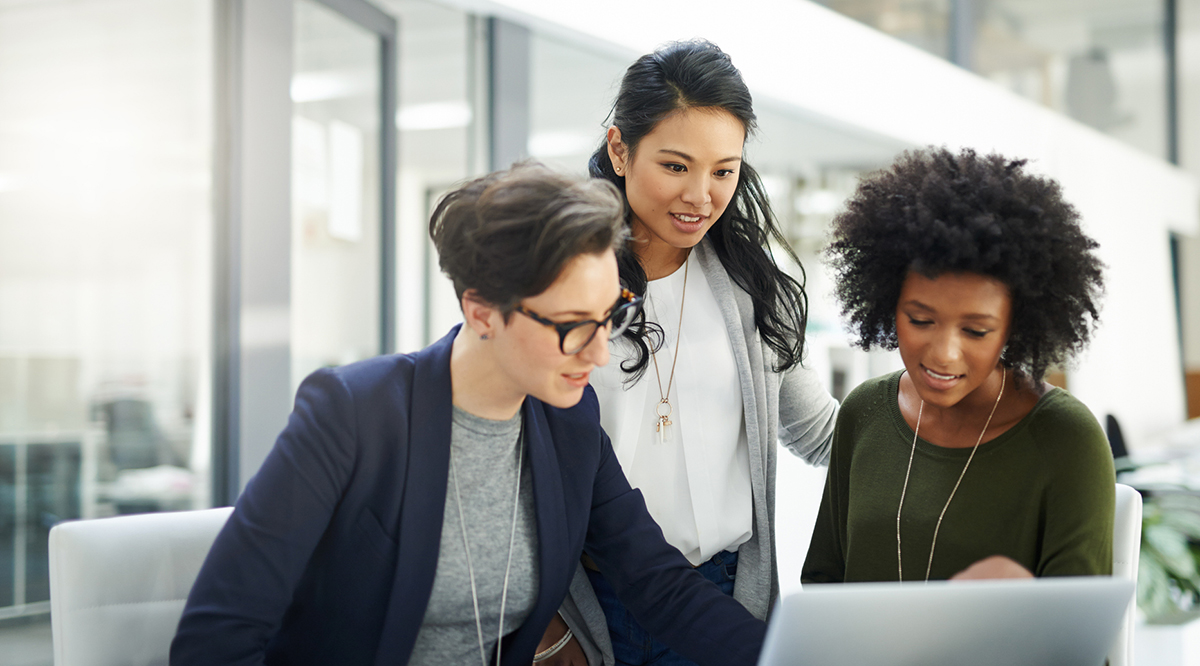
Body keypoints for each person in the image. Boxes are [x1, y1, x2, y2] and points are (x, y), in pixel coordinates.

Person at [170, 163, 766, 666]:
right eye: (573, 325)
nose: (600, 351)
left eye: (611, 316)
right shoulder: (353, 414)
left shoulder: (569, 422)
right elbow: (217, 637)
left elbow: (655, 581)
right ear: (481, 313)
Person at [539, 40, 838, 666]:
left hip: (722, 600)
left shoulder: (754, 287)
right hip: (591, 607)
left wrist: (952, 419)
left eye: (723, 170)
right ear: (620, 149)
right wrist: (548, 634)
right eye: (676, 166)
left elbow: (819, 433)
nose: (702, 195)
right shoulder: (557, 279)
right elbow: (507, 455)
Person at [802, 147, 1114, 585]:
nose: (943, 353)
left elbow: (1077, 638)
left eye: (976, 331)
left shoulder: (1065, 438)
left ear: (1014, 326)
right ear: (889, 304)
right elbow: (823, 582)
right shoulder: (864, 412)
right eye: (921, 320)